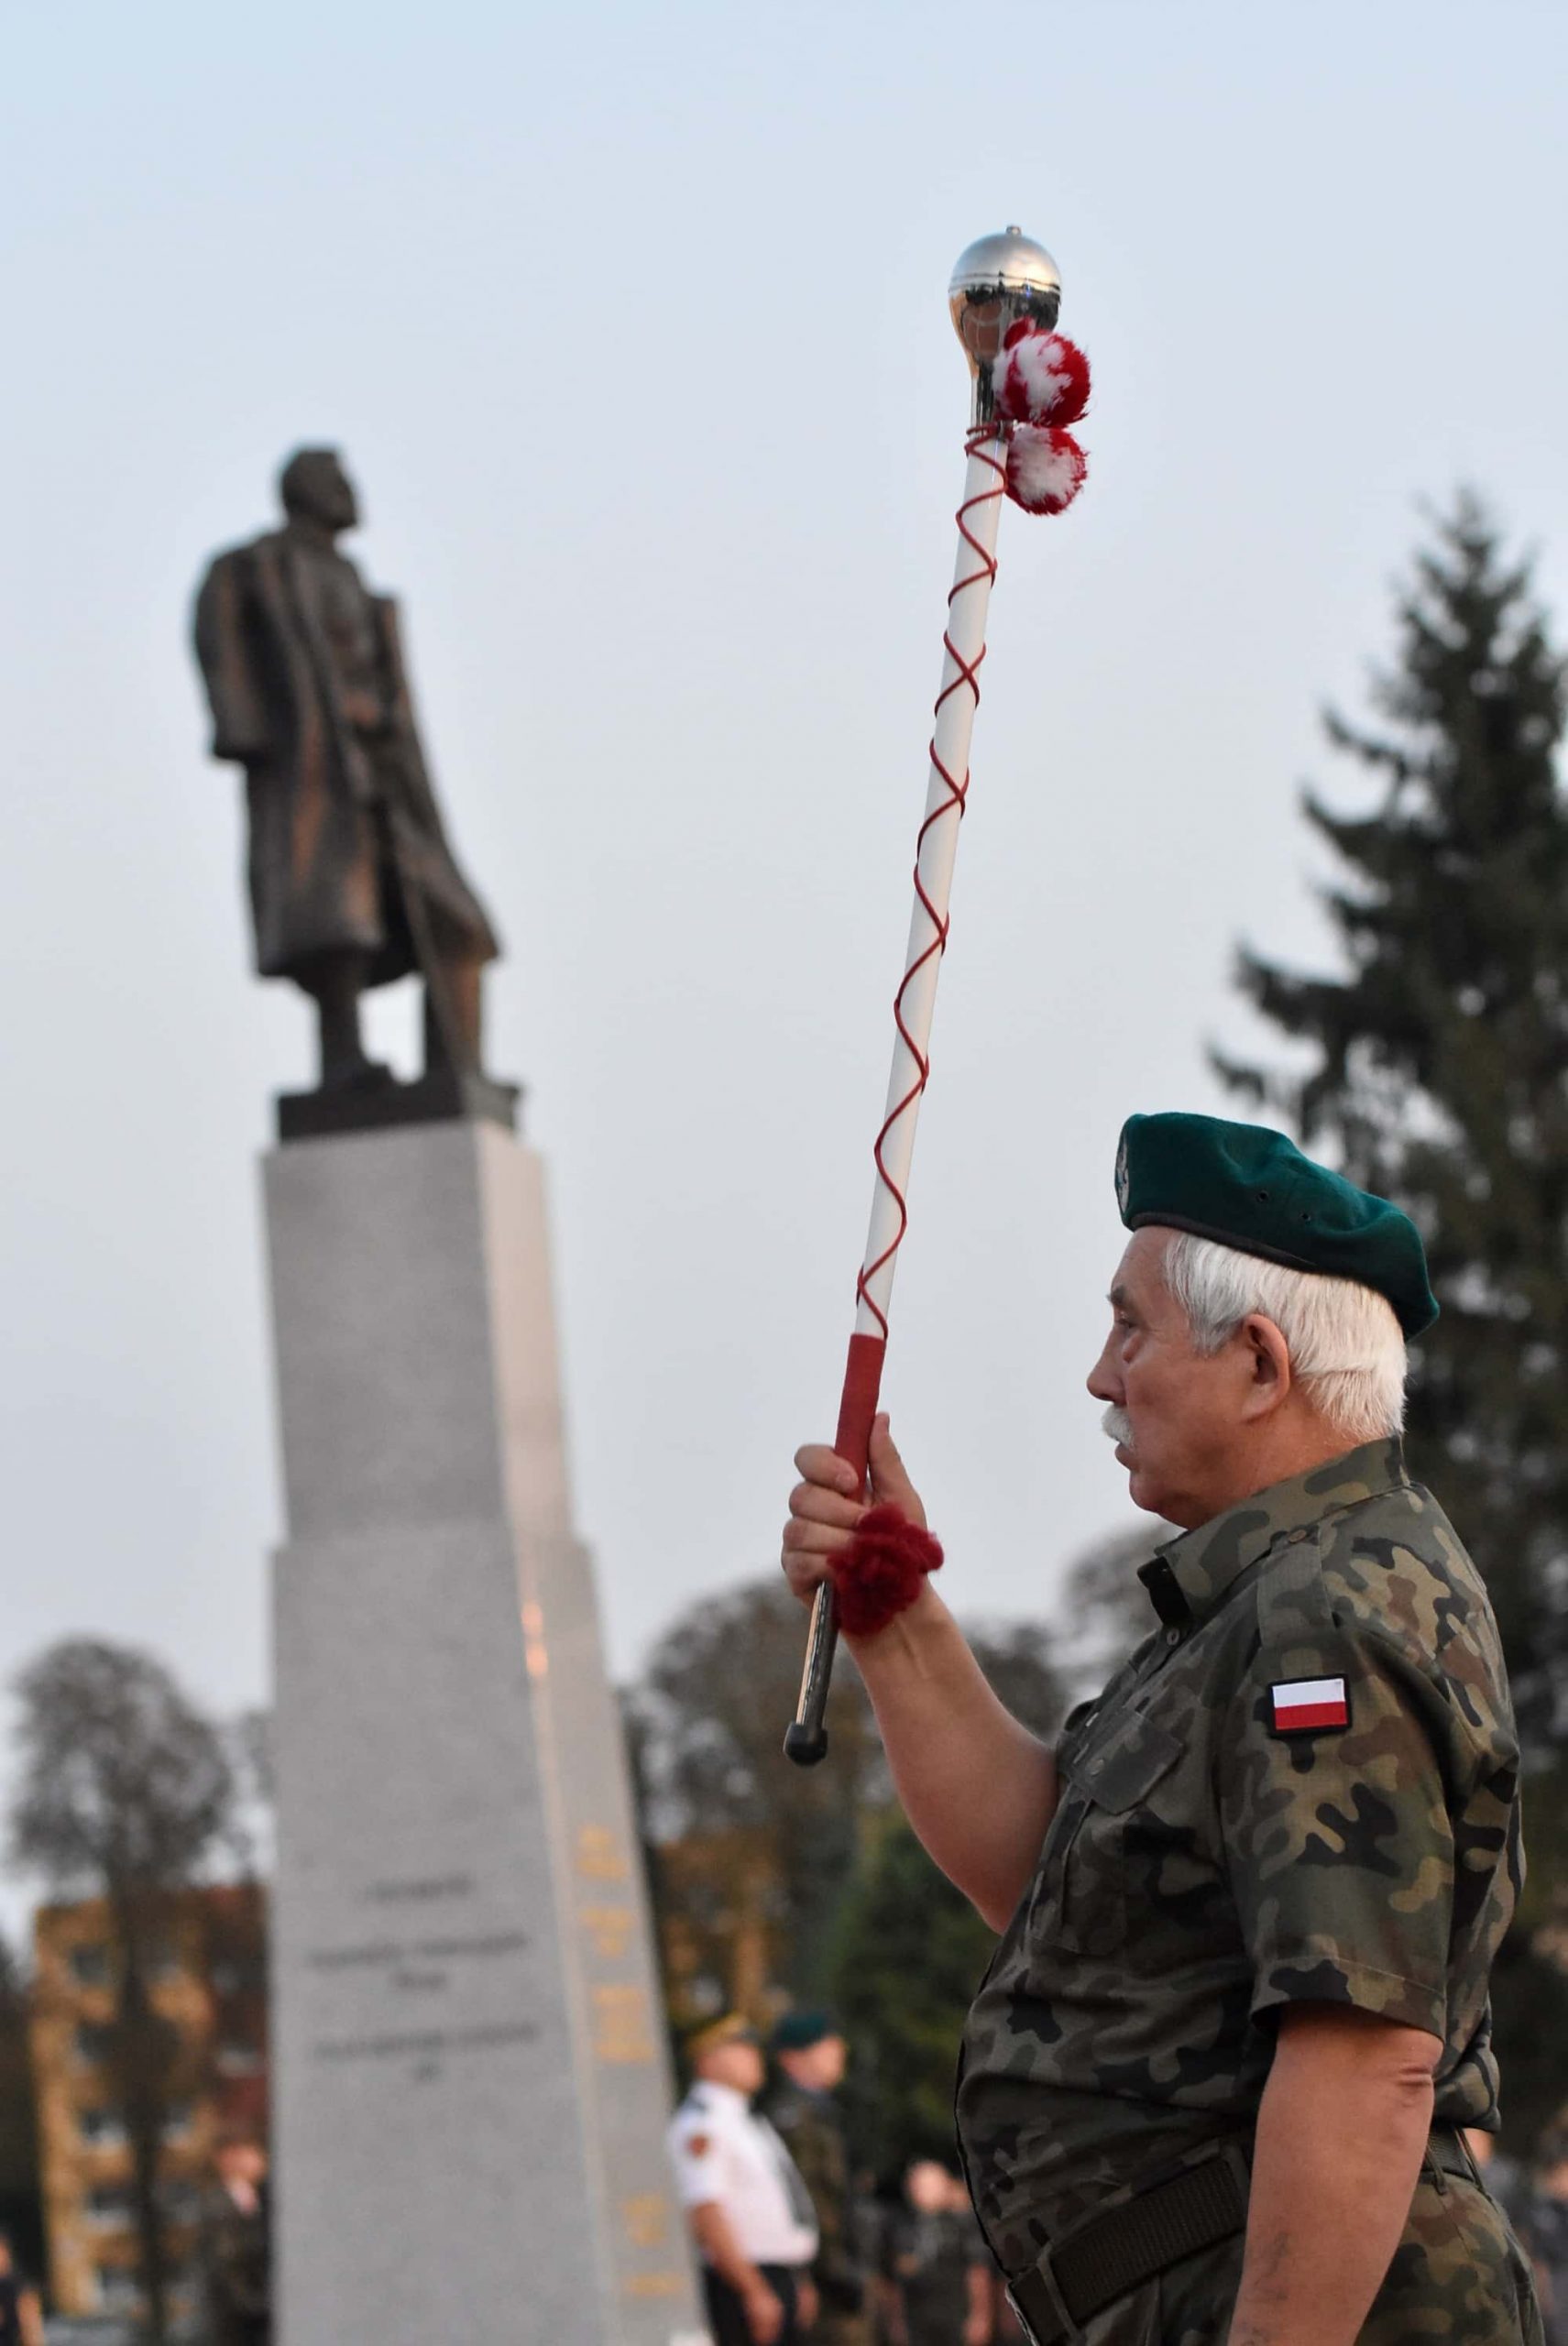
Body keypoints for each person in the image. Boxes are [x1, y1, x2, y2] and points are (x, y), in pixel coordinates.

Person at [783, 1112, 1542, 2343]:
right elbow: (1040, 1880)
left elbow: (1361, 2062)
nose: (1098, 1372)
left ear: (1256, 1363)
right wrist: (891, 1611)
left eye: (1128, 1326)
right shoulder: (1257, 1600)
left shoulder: (1325, 1619)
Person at [193, 447, 500, 1093]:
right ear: (308, 493)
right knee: (337, 919)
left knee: (458, 924)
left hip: (389, 769)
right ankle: (343, 1064)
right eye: (340, 483)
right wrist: (246, 732)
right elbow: (222, 647)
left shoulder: (353, 580)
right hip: (318, 768)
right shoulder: (256, 567)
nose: (353, 494)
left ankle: (456, 1066)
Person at [668, 2013, 819, 2346]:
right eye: (741, 2048)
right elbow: (706, 2212)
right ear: (707, 2059)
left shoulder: (746, 2120)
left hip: (776, 2278)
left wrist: (797, 2278)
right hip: (740, 2281)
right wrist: (753, 2290)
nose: (755, 2058)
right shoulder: (702, 2124)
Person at [764, 2012, 872, 2346]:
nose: (839, 2052)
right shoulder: (795, 2118)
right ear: (792, 2058)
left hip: (838, 2273)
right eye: (825, 2047)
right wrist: (835, 2270)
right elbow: (809, 2199)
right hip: (823, 2282)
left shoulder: (821, 2112)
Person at [882, 2161, 992, 2346]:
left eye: (928, 2185)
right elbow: (894, 2280)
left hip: (955, 2315)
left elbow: (978, 2272)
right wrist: (896, 2320)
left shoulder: (963, 2223)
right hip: (917, 2321)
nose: (921, 2191)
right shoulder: (901, 2225)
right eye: (917, 2185)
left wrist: (980, 2316)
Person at [195, 2126, 271, 2346]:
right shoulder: (219, 2206)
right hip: (240, 2322)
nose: (260, 2160)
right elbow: (229, 2262)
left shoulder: (259, 2199)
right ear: (229, 2158)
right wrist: (261, 2304)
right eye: (253, 2152)